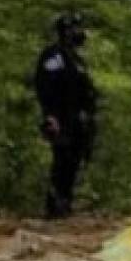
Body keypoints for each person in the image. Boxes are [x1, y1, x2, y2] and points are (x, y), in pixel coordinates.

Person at [34, 12, 98, 219]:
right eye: (75, 29)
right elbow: (45, 87)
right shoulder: (54, 56)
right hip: (61, 119)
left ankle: (66, 203)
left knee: (74, 161)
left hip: (79, 120)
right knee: (62, 160)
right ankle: (54, 207)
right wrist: (50, 116)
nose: (80, 33)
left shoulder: (76, 59)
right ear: (65, 32)